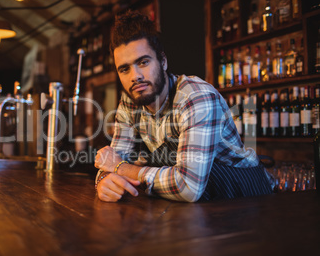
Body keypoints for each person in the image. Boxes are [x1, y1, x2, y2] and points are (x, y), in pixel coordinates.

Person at [94, 10, 273, 202]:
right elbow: (111, 161)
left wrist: (121, 168)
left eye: (143, 62)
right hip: (200, 209)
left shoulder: (195, 97)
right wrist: (104, 180)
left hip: (247, 199)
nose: (135, 76)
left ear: (163, 61)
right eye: (124, 69)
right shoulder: (130, 103)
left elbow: (188, 187)